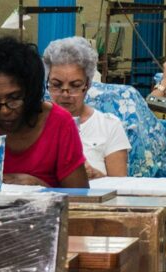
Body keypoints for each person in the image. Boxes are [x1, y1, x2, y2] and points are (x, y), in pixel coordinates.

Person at [0, 36, 88, 188]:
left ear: (31, 94)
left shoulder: (60, 123)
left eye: (14, 99)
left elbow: (80, 198)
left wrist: (40, 186)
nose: (4, 111)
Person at [43, 36, 130, 179]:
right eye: (57, 85)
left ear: (87, 84)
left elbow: (120, 187)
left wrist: (95, 175)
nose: (65, 94)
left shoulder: (108, 125)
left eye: (75, 85)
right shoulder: (35, 122)